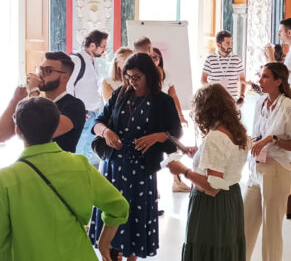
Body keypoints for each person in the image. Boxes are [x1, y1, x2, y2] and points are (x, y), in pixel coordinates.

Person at [0, 97, 130, 261]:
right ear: (55, 128)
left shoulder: (6, 180)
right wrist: (103, 243)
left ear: (18, 131)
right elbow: (119, 206)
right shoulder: (80, 165)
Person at [89, 53, 182, 260]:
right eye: (128, 77)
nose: (132, 82)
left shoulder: (162, 101)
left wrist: (158, 137)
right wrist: (106, 132)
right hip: (114, 166)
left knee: (135, 221)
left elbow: (176, 133)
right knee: (112, 217)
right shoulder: (120, 94)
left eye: (137, 77)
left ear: (149, 75)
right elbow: (98, 121)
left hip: (141, 169)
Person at [167, 83, 249, 261]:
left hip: (211, 205)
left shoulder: (215, 137)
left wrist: (183, 170)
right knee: (225, 249)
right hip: (232, 199)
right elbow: (225, 163)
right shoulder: (238, 132)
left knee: (207, 251)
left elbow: (213, 187)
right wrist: (199, 154)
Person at [244, 62, 291, 261]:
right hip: (255, 168)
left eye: (265, 77)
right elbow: (256, 135)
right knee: (244, 224)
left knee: (271, 229)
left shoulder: (290, 108)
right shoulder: (260, 102)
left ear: (278, 81)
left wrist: (274, 139)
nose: (260, 80)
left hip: (276, 170)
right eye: (261, 76)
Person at [0, 52, 87, 153]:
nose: (40, 74)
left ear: (65, 77)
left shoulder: (74, 105)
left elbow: (41, 131)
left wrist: (33, 92)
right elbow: (2, 134)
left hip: (59, 166)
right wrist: (16, 98)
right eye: (40, 69)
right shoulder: (32, 102)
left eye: (48, 70)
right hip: (30, 164)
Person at [151, 46, 191, 193]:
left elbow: (173, 95)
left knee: (172, 148)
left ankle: (177, 181)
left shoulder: (166, 74)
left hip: (166, 115)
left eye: (156, 57)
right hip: (152, 117)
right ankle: (153, 187)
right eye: (151, 57)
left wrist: (180, 115)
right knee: (154, 152)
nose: (154, 60)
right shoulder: (145, 75)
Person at [69, 29, 109, 166]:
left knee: (88, 152)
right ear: (92, 45)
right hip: (83, 113)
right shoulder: (76, 60)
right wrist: (76, 111)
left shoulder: (94, 62)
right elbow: (68, 87)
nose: (104, 50)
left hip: (94, 112)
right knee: (79, 152)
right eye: (102, 47)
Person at [202, 30, 246, 104]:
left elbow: (243, 79)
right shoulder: (210, 59)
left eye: (231, 43)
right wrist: (211, 92)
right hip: (215, 101)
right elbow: (203, 80)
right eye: (227, 43)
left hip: (233, 101)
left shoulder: (237, 59)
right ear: (219, 45)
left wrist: (242, 96)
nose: (230, 46)